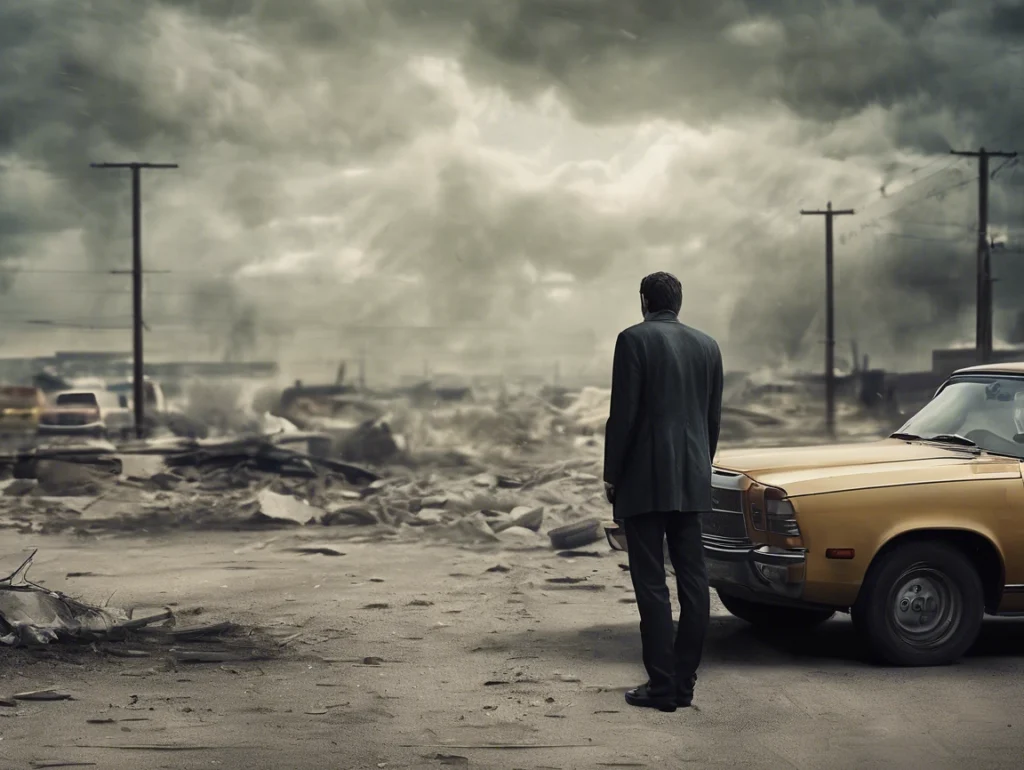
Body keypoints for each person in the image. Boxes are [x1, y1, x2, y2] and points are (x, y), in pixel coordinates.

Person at [603, 271, 723, 712]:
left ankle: (661, 685)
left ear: (643, 301)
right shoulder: (708, 346)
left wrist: (612, 474)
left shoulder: (633, 340)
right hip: (692, 478)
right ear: (679, 302)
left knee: (652, 583)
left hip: (644, 479)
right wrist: (698, 468)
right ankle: (684, 681)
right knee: (694, 581)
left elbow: (624, 416)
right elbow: (712, 420)